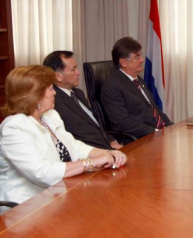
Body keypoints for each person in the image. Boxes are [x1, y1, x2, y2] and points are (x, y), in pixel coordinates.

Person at [0, 65, 127, 209]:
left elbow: (74, 146)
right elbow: (41, 172)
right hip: (27, 208)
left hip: (59, 194)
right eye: (50, 89)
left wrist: (106, 153)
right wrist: (90, 164)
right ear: (35, 95)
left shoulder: (50, 116)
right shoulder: (14, 127)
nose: (55, 92)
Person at [43, 51, 123, 150]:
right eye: (73, 69)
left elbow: (94, 126)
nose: (78, 72)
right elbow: (75, 137)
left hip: (108, 146)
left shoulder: (78, 93)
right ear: (58, 76)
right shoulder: (54, 102)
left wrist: (111, 141)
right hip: (91, 154)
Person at [101, 37, 173, 138]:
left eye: (141, 55)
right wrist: (156, 131)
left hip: (158, 133)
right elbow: (122, 123)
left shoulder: (137, 79)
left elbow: (154, 108)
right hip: (141, 139)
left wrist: (170, 126)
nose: (142, 60)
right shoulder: (112, 86)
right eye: (137, 57)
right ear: (124, 62)